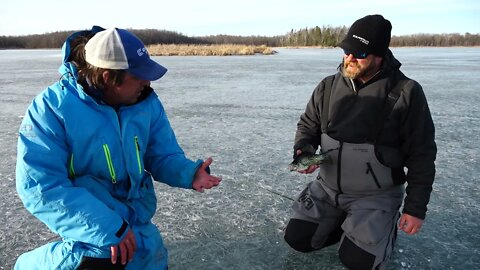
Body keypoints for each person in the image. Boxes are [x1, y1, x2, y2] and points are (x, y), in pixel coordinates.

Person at [15, 26, 221, 269]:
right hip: (91, 219)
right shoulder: (51, 109)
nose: (147, 80)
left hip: (136, 215)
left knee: (148, 256)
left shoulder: (146, 103)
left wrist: (188, 172)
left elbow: (161, 153)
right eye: (139, 75)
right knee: (100, 256)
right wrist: (108, 226)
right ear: (107, 77)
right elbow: (41, 186)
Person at [283, 15, 436, 269]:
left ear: (379, 55)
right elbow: (308, 126)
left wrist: (415, 208)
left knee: (357, 261)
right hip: (328, 190)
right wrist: (304, 150)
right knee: (298, 239)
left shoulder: (406, 92)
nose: (350, 58)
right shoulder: (328, 86)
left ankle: (380, 232)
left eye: (359, 53)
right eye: (346, 50)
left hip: (375, 197)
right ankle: (344, 223)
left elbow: (422, 154)